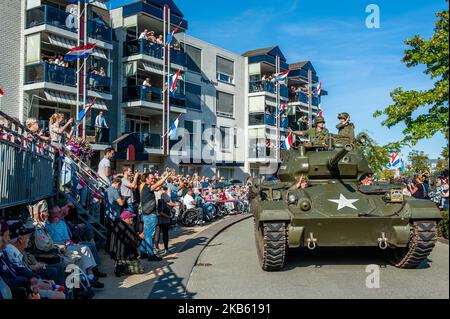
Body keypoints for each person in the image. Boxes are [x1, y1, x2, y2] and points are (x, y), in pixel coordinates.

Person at [140, 171, 169, 261]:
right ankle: (151, 255)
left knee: (145, 233)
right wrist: (166, 176)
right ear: (147, 179)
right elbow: (157, 185)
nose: (153, 179)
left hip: (146, 214)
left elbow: (157, 186)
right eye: (151, 178)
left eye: (153, 178)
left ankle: (143, 253)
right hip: (150, 215)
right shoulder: (148, 187)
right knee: (149, 235)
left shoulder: (145, 187)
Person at [157, 186, 179, 255]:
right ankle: (166, 249)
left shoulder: (153, 193)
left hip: (157, 216)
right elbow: (168, 203)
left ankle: (156, 249)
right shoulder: (164, 194)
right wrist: (175, 204)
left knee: (157, 234)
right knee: (165, 233)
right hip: (164, 216)